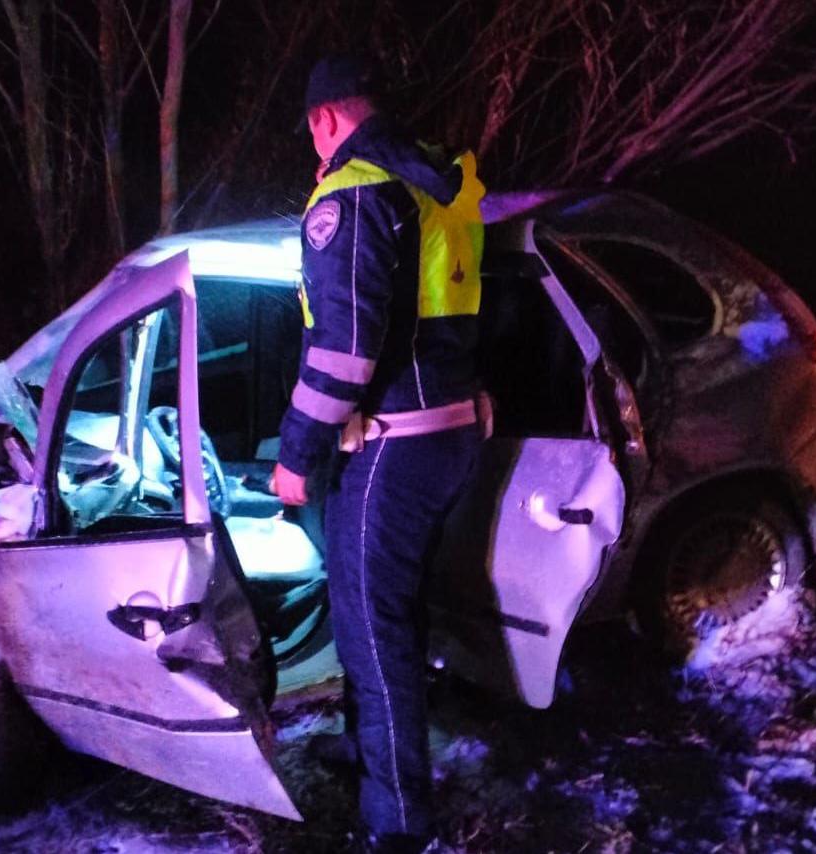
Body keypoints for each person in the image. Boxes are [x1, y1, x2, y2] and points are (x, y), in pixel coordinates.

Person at [270, 55, 489, 854]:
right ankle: (371, 752)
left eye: (310, 134)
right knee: (389, 613)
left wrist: (296, 455)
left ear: (325, 118)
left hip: (394, 446)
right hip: (449, 432)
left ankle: (396, 822)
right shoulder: (438, 181)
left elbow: (344, 355)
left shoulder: (354, 192)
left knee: (371, 631)